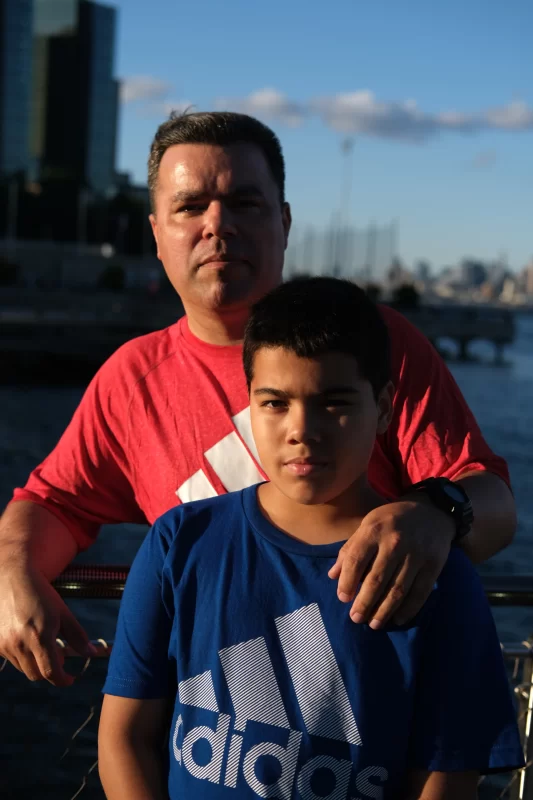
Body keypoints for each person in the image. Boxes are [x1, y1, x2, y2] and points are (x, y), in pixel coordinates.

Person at [0, 112, 516, 687]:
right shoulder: (131, 381)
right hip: (213, 741)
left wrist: (435, 514)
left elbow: (491, 500)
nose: (217, 225)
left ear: (285, 222)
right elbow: (56, 504)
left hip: (382, 724)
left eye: (245, 203)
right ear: (156, 233)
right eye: (190, 207)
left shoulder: (374, 339)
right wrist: (11, 570)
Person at [98, 277, 523, 800]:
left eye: (335, 402)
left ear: (385, 407)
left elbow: (448, 775)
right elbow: (125, 736)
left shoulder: (431, 571)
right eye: (275, 403)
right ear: (249, 403)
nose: (302, 428)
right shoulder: (180, 542)